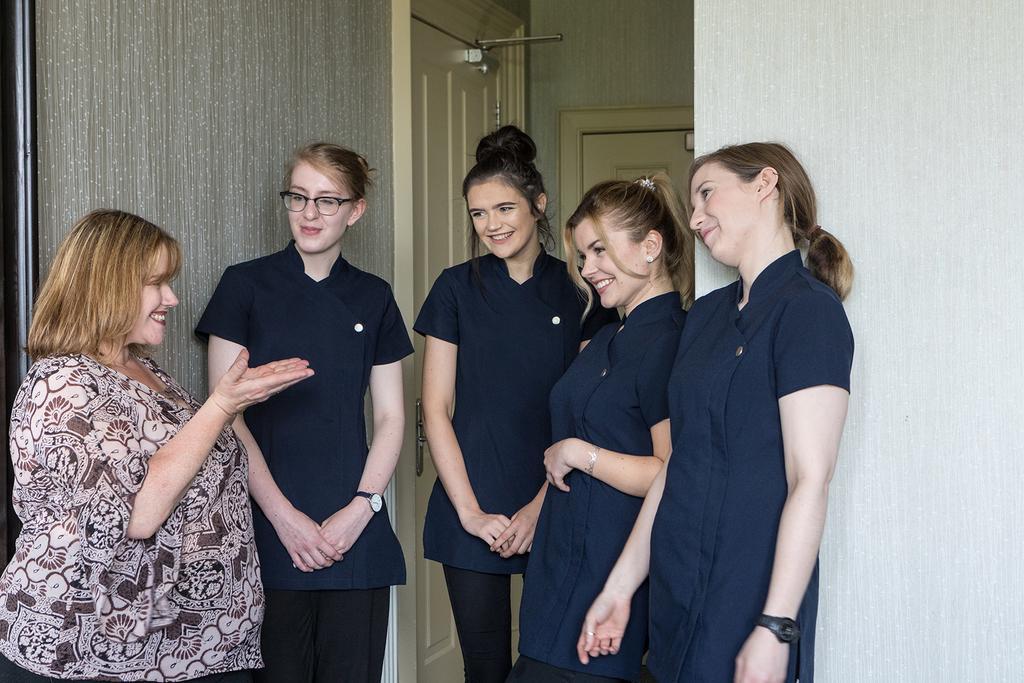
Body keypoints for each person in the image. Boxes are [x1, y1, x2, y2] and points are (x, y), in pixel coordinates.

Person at [578, 142, 855, 683]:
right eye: (692, 203)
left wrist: (776, 625)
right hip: (677, 587)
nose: (696, 216)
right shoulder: (704, 316)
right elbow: (675, 468)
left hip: (750, 594)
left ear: (765, 184)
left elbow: (810, 480)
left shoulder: (809, 312)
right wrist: (619, 589)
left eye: (707, 194)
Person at [0, 209, 313, 682]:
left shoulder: (148, 372)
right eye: (156, 282)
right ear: (105, 285)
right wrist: (222, 404)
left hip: (189, 642)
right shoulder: (63, 384)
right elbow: (137, 515)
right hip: (95, 648)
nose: (172, 297)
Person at [196, 143, 412, 682]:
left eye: (327, 201)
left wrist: (363, 507)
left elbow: (391, 417)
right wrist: (285, 518)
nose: (310, 214)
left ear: (355, 210)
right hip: (266, 528)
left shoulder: (374, 296)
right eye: (298, 198)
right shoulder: (243, 285)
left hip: (354, 531)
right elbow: (225, 416)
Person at [414, 125, 618, 683]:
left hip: (557, 502)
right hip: (468, 503)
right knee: (484, 670)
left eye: (505, 208)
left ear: (539, 204)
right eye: (478, 214)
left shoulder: (582, 288)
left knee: (549, 666)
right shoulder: (454, 289)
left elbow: (586, 413)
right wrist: (471, 512)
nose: (492, 225)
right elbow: (435, 408)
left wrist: (537, 508)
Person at [508, 174, 694, 683]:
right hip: (558, 566)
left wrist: (577, 452)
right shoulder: (608, 337)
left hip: (611, 569)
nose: (588, 270)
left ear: (650, 246)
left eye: (598, 252)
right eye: (582, 257)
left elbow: (669, 471)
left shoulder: (670, 342)